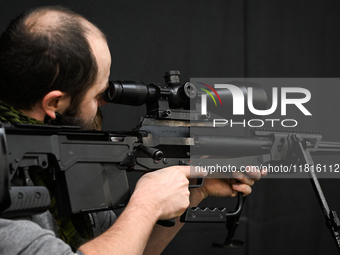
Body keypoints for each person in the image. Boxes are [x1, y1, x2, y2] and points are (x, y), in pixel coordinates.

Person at [0, 6, 266, 255]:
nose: (105, 100)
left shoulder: (62, 161)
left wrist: (196, 190)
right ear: (54, 103)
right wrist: (147, 205)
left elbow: (126, 247)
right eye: (97, 94)